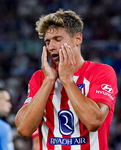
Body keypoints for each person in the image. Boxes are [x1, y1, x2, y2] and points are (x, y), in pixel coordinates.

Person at [15, 9, 118, 150]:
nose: (51, 47)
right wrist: (49, 81)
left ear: (78, 39)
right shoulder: (40, 78)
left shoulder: (101, 72)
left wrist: (67, 80)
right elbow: (24, 129)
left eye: (57, 39)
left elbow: (94, 121)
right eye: (47, 41)